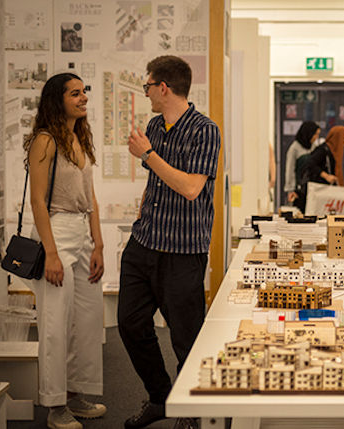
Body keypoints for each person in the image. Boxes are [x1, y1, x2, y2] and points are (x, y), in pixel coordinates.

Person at [118, 56, 220, 429]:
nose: (145, 93)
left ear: (163, 87)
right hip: (145, 241)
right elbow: (157, 180)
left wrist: (148, 154)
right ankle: (161, 397)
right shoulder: (154, 126)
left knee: (186, 338)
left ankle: (189, 409)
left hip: (183, 250)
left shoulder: (205, 130)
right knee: (129, 324)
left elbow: (192, 187)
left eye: (147, 86)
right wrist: (144, 208)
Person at [25, 73, 106, 429]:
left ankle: (76, 395)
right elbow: (38, 202)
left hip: (83, 233)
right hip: (55, 231)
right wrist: (52, 253)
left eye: (84, 91)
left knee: (86, 322)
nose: (83, 97)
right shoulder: (44, 141)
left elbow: (91, 198)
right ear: (57, 100)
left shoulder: (79, 138)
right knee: (56, 325)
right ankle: (55, 407)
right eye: (75, 93)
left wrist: (98, 242)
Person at [299, 126, 344, 208]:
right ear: (338, 139)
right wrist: (326, 176)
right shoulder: (323, 150)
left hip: (326, 193)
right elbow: (310, 163)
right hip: (319, 191)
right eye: (343, 141)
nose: (343, 145)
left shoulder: (333, 152)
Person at [284, 121, 321, 212]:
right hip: (299, 190)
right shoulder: (294, 148)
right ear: (308, 133)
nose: (317, 137)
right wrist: (291, 190)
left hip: (312, 189)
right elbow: (290, 169)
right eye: (315, 134)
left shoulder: (314, 147)